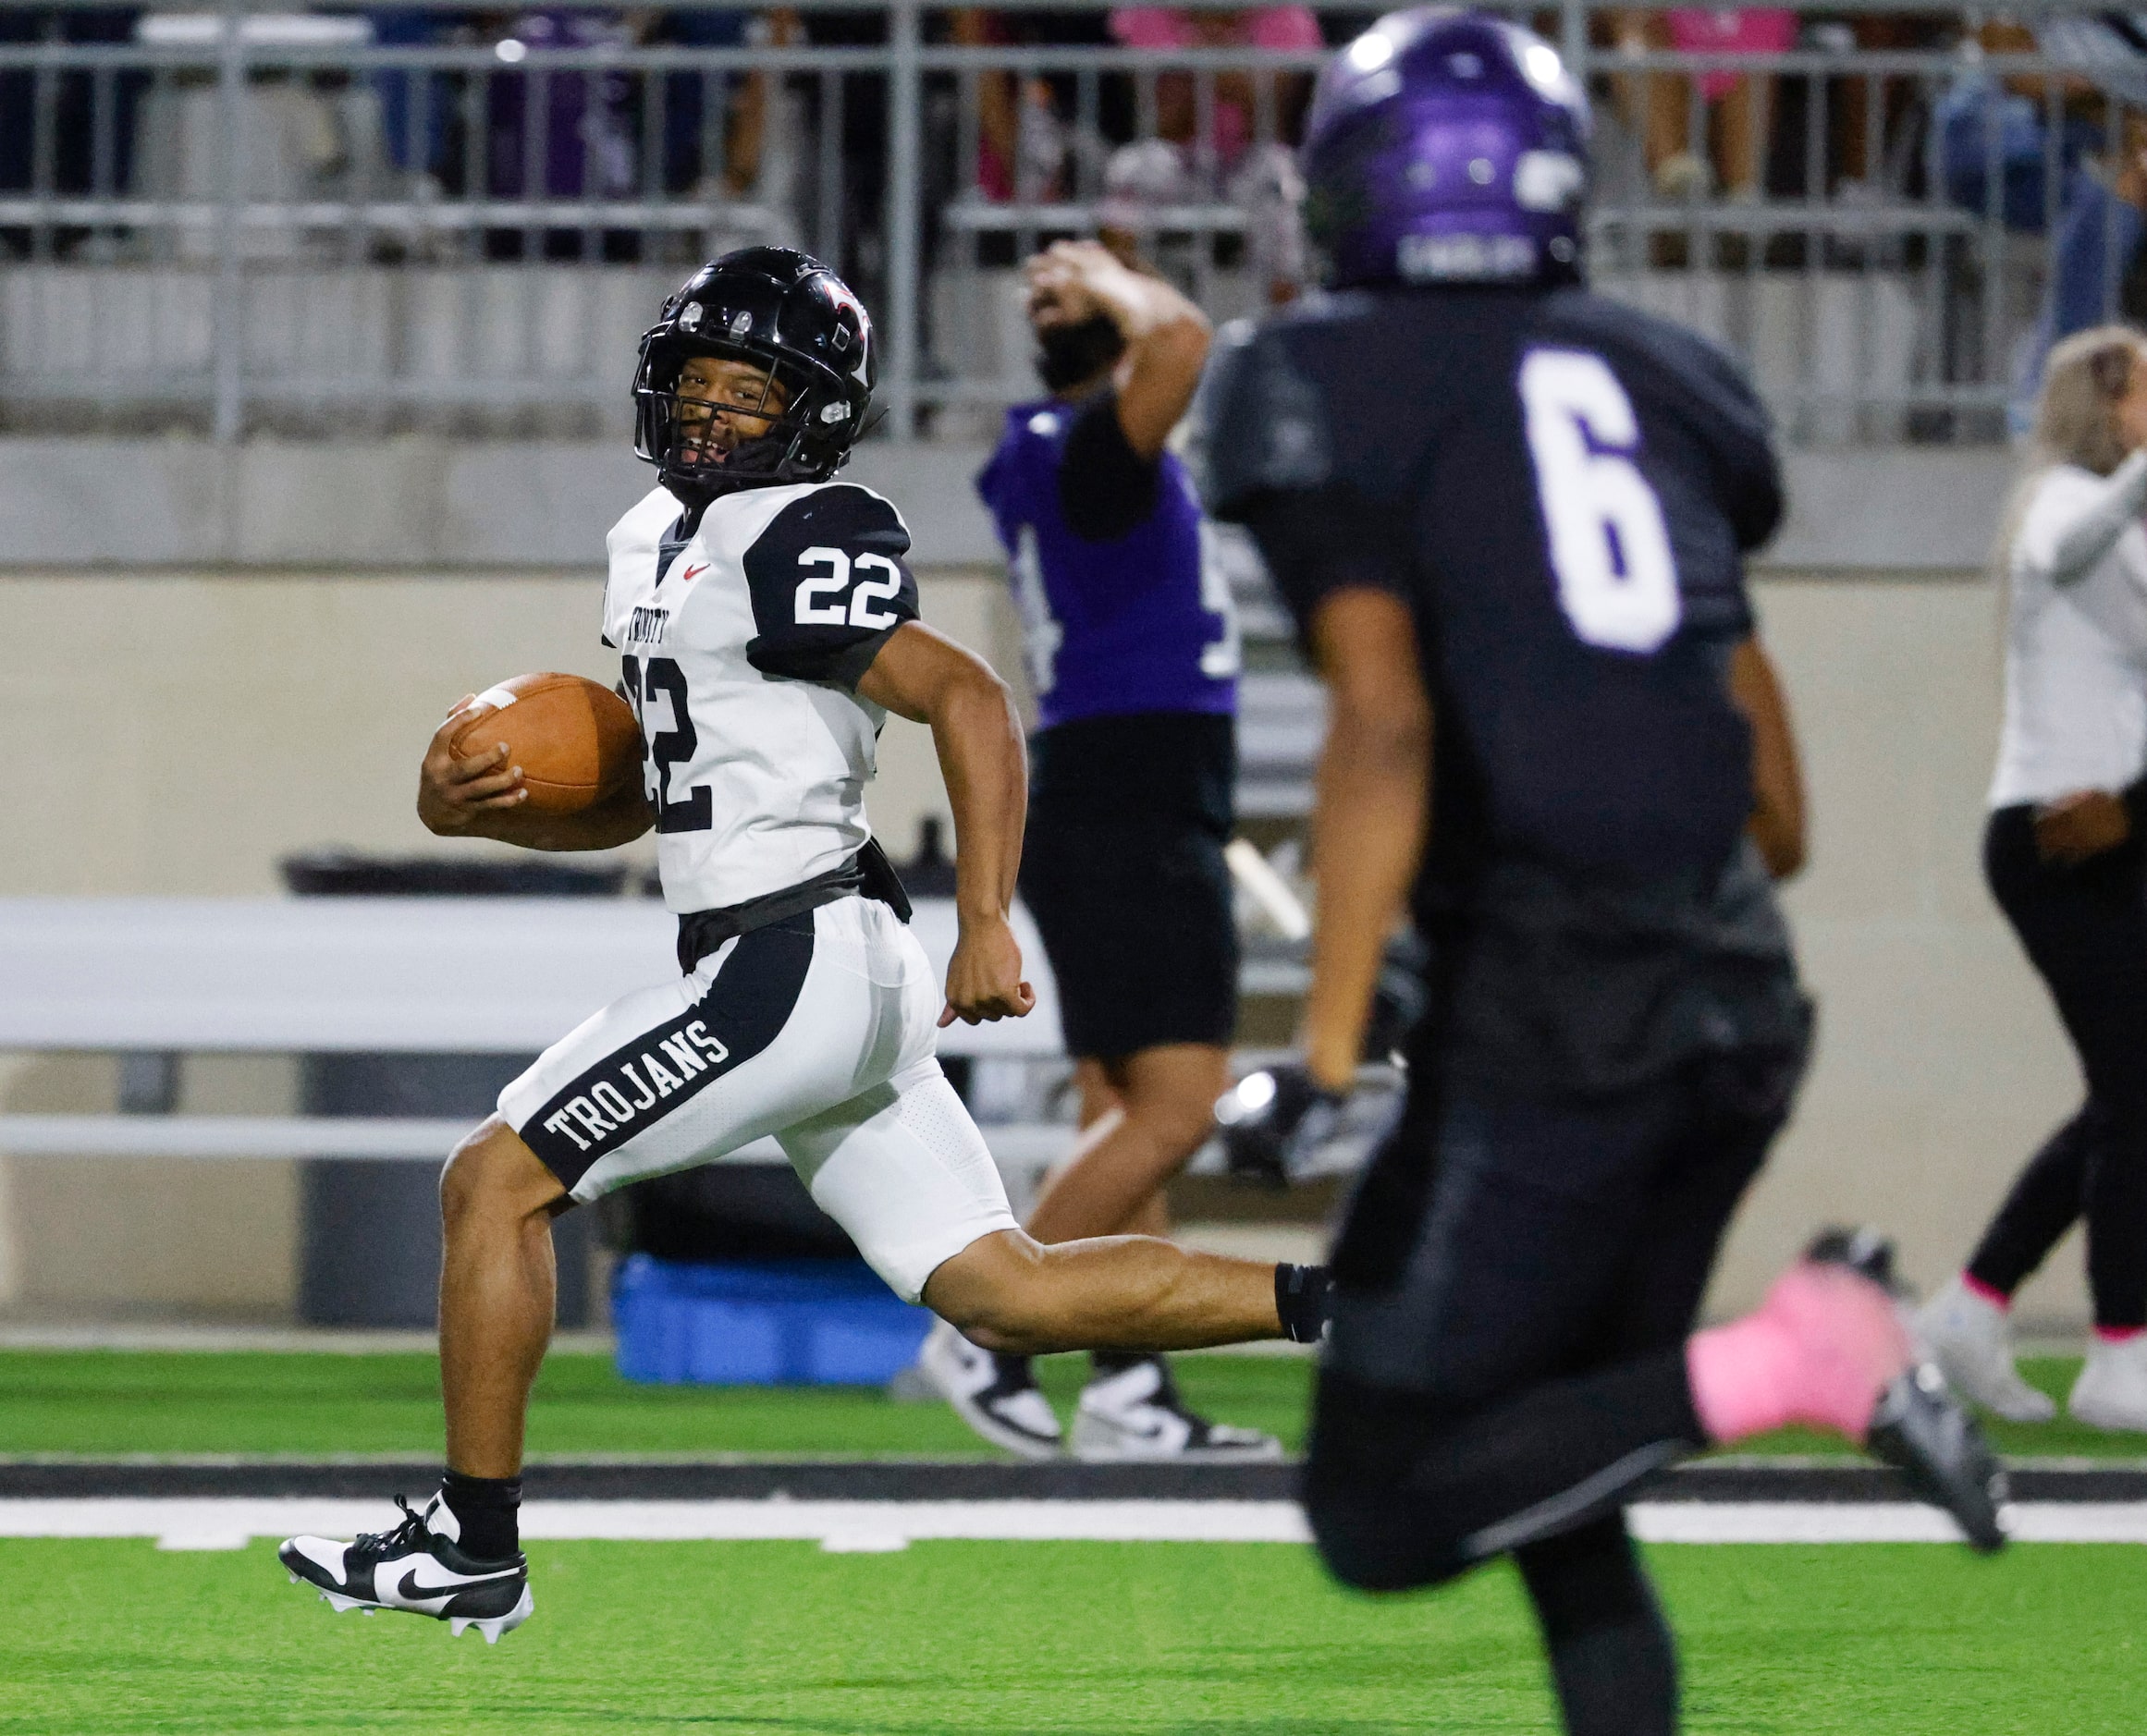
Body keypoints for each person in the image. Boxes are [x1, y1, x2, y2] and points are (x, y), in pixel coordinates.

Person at [275, 246, 1332, 1642]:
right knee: (1002, 1290)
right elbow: (665, 792)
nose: (711, 414)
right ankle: (1355, 1302)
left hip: (793, 961)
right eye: (695, 384)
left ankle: (473, 1538)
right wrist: (471, 809)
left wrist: (990, 916)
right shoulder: (652, 536)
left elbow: (968, 699)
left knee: (494, 1181)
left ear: (814, 410)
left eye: (746, 390)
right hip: (807, 957)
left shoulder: (798, 528)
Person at [1196, 14, 2005, 1733]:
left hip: (1561, 1015)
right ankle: (1786, 1357)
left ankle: (1812, 1350)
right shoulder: (1668, 374)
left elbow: (1382, 716)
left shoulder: (1310, 372)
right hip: (1730, 996)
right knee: (1564, 1479)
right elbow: (1766, 789)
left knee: (1386, 1504)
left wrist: (1326, 1052)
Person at [916, 238, 1272, 1462]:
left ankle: (1127, 1383)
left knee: (1119, 1108)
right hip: (1134, 791)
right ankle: (994, 1324)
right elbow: (1184, 342)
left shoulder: (1043, 453)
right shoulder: (1092, 454)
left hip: (1098, 786)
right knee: (1175, 1108)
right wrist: (1114, 276)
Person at [1916, 324, 2147, 1434]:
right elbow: (2065, 552)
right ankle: (2118, 1351)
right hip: (2047, 835)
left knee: (2127, 1093)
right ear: (2103, 410)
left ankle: (1969, 1307)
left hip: (2111, 835)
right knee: (2137, 1089)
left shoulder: (2125, 527)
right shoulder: (2058, 502)